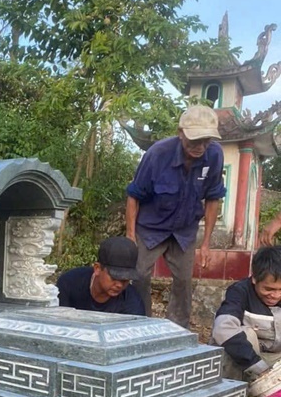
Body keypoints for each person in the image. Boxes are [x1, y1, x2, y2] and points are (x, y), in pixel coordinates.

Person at [126, 105, 226, 329]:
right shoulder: (157, 154)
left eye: (206, 140)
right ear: (181, 133)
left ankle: (177, 328)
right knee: (138, 274)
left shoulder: (215, 155)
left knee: (183, 280)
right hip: (150, 226)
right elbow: (133, 196)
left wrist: (206, 243)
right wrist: (130, 236)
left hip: (184, 229)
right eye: (195, 140)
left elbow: (213, 198)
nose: (200, 146)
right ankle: (140, 322)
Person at [212, 246, 281, 380]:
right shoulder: (239, 292)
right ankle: (236, 390)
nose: (276, 295)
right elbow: (223, 329)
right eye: (269, 289)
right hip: (246, 359)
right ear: (254, 278)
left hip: (276, 359)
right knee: (246, 334)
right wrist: (259, 368)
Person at [57, 237, 145, 315]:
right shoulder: (69, 284)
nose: (119, 285)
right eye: (114, 277)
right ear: (97, 269)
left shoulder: (133, 302)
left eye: (125, 280)